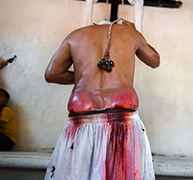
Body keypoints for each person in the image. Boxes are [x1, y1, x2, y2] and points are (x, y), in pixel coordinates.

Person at [44, 18, 160, 179]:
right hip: (122, 110)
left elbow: (51, 74)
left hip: (82, 111)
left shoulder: (75, 35)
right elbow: (155, 60)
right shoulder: (130, 33)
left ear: (94, 24)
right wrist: (137, 32)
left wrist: (84, 77)